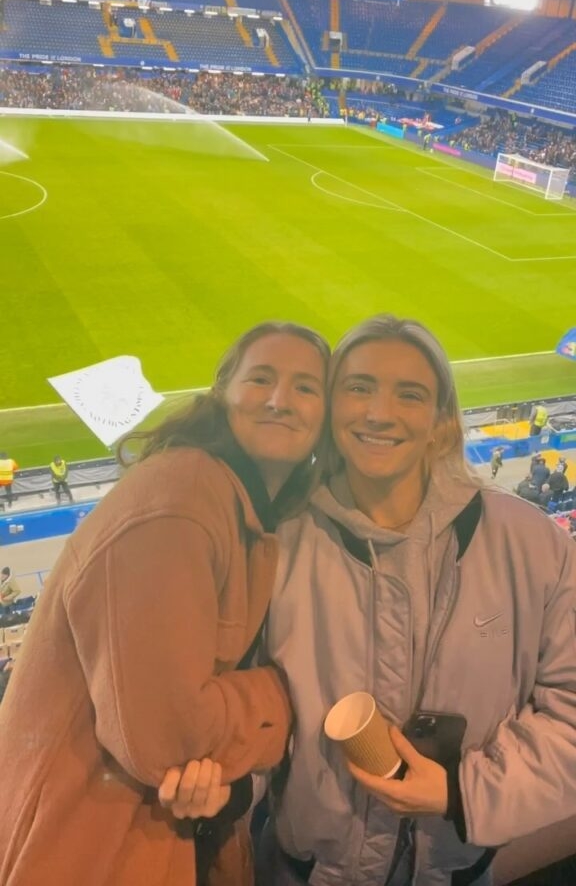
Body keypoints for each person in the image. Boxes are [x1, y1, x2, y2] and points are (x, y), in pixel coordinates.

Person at [164, 314, 576, 886]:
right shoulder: (277, 544)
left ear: (441, 424)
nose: (379, 413)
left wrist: (463, 790)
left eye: (410, 394)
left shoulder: (532, 544)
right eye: (358, 388)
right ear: (331, 413)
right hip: (304, 871)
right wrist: (221, 782)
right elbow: (248, 705)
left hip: (457, 872)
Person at [0, 321, 329, 886]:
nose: (279, 400)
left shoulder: (244, 504)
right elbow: (166, 737)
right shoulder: (181, 500)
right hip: (83, 847)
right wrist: (289, 693)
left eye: (305, 387)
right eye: (261, 378)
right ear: (222, 393)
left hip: (148, 836)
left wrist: (215, 768)